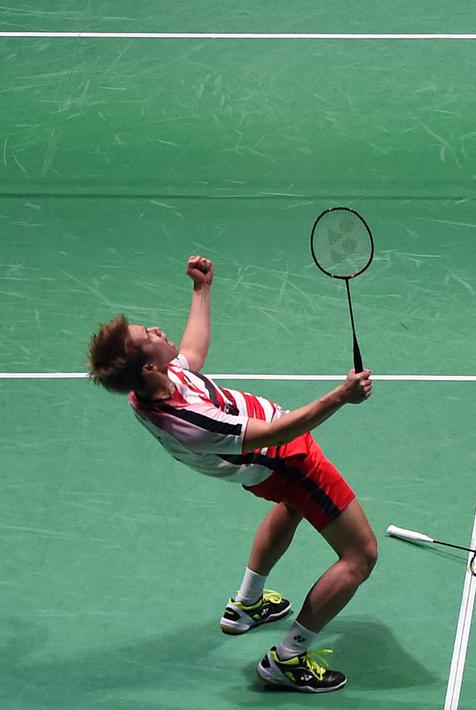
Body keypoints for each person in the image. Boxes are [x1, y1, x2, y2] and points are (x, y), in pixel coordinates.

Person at [87, 255, 376, 693]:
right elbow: (280, 432)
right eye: (149, 335)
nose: (158, 330)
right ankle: (290, 656)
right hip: (288, 459)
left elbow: (192, 354)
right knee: (361, 555)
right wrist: (341, 395)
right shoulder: (187, 420)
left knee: (292, 508)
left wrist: (201, 290)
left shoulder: (154, 385)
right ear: (148, 366)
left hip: (267, 467)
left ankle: (247, 603)